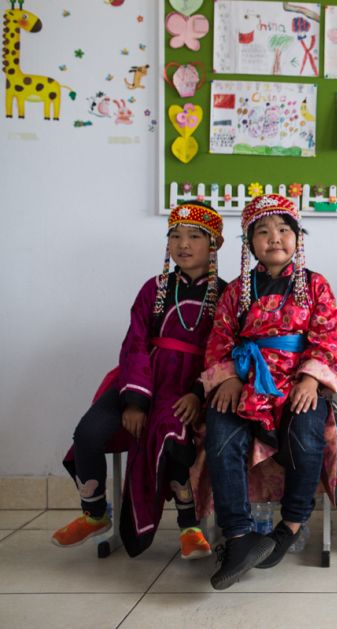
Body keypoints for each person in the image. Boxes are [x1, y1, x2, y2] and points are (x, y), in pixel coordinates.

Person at [55, 202, 225, 560]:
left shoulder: (226, 293)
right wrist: (135, 400)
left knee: (172, 432)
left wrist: (198, 393)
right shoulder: (155, 288)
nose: (183, 244)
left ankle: (189, 526)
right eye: (175, 236)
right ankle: (95, 512)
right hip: (141, 378)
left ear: (214, 244)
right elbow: (134, 342)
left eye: (194, 236)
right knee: (88, 433)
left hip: (187, 386)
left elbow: (224, 353)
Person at [201, 194, 337, 589]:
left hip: (298, 382)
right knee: (220, 431)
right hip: (247, 382)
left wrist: (311, 380)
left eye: (284, 229)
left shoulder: (316, 285)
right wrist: (229, 378)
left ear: (298, 238)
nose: (274, 238)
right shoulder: (235, 291)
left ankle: (291, 525)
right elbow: (219, 338)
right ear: (249, 243)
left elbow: (329, 337)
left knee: (305, 435)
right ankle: (239, 536)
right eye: (262, 232)